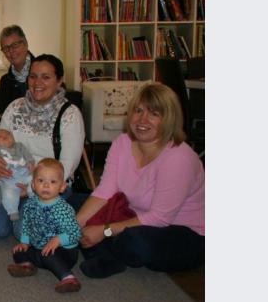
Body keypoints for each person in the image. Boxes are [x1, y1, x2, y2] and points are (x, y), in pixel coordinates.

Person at [76, 83, 204, 278]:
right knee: (71, 205)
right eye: (138, 111)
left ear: (169, 119)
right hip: (132, 214)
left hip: (183, 231)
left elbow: (159, 218)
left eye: (154, 114)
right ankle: (105, 250)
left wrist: (105, 231)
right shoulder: (122, 143)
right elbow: (105, 191)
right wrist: (75, 224)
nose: (142, 119)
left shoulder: (178, 158)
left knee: (134, 241)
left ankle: (106, 250)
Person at [0, 54, 85, 241]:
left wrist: (32, 189)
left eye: (46, 77)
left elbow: (67, 166)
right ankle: (21, 212)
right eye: (33, 76)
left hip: (49, 183)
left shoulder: (70, 115)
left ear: (59, 81)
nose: (37, 83)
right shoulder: (14, 107)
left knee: (24, 234)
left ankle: (52, 213)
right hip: (12, 178)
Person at [7, 158, 82, 293]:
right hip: (40, 248)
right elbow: (27, 224)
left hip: (63, 252)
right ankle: (27, 266)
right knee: (18, 251)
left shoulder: (63, 209)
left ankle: (68, 278)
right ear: (33, 185)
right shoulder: (30, 204)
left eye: (53, 182)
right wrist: (24, 242)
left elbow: (76, 232)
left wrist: (59, 239)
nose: (46, 185)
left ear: (62, 187)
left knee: (48, 255)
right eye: (41, 181)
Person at [0, 128, 34, 223]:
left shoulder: (20, 146)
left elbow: (27, 155)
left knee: (34, 181)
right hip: (9, 177)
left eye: (8, 134)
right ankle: (12, 211)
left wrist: (30, 162)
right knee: (8, 193)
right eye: (0, 137)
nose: (5, 137)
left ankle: (33, 195)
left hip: (24, 172)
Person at [0, 25, 35, 115]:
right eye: (6, 48)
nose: (11, 51)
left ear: (26, 44)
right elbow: (7, 115)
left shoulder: (43, 73)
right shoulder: (5, 81)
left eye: (15, 45)